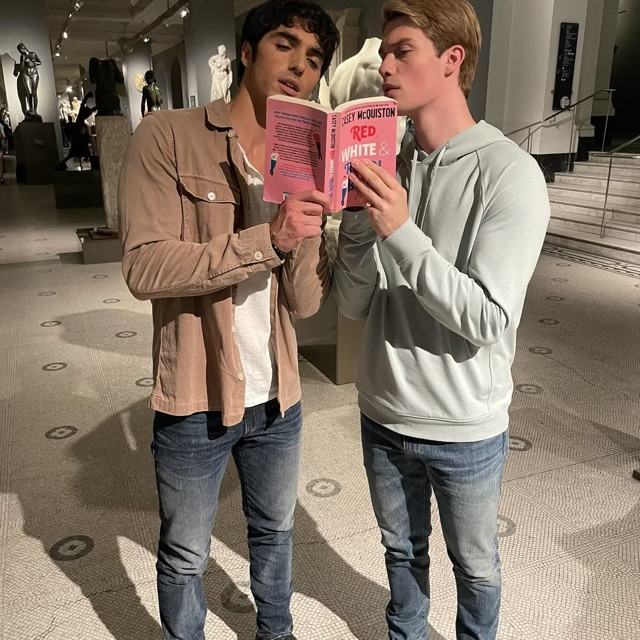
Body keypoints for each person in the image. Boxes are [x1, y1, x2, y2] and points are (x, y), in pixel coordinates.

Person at [118, 2, 339, 639]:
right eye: (284, 45)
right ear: (246, 52)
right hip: (196, 394)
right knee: (186, 553)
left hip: (280, 395)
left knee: (275, 533)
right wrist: (267, 238)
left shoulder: (302, 159)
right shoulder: (168, 134)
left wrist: (310, 232)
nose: (299, 66)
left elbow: (304, 304)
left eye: (314, 59)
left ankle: (277, 632)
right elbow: (145, 266)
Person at [332, 1, 550, 639]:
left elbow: (487, 318)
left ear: (453, 60)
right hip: (382, 411)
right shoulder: (389, 162)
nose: (384, 66)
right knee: (401, 555)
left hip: (464, 426)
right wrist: (357, 222)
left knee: (475, 568)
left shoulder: (510, 174)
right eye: (384, 52)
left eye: (402, 51)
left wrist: (401, 233)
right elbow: (352, 304)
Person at [13, 43, 41, 120]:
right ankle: (31, 109)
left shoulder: (33, 54)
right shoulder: (22, 56)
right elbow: (22, 68)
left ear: (24, 47)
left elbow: (39, 62)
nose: (21, 50)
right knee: (29, 92)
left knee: (34, 93)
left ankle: (35, 110)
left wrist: (32, 62)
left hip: (34, 74)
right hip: (26, 74)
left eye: (22, 48)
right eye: (20, 50)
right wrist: (18, 67)